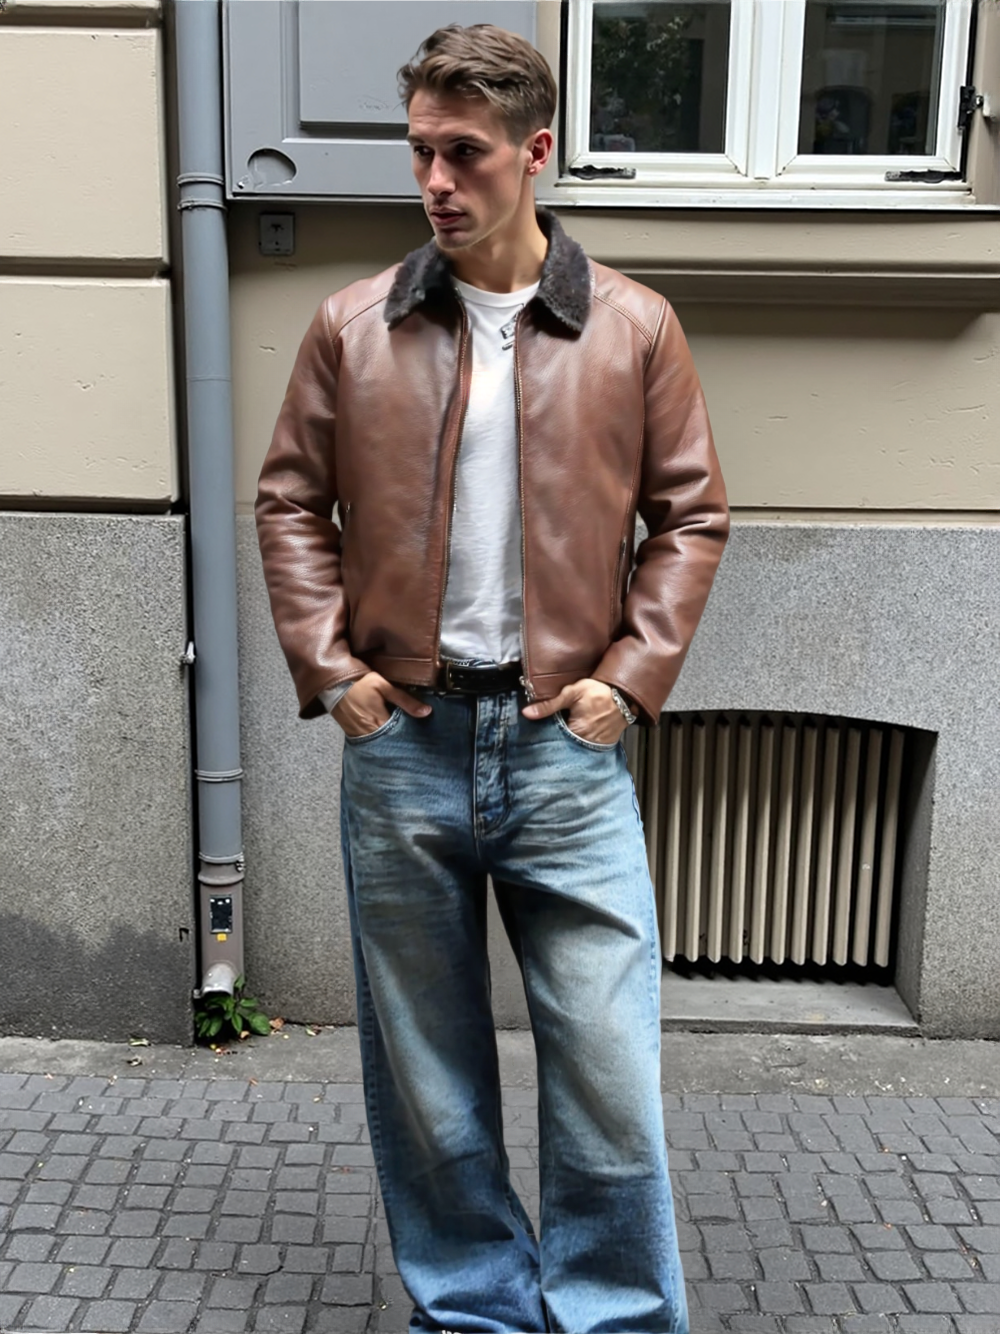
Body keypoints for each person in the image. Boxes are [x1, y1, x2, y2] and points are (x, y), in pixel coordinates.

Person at [255, 23, 728, 1334]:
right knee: (428, 1074)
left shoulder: (633, 328)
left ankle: (616, 1312)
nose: (436, 181)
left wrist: (629, 683)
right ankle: (475, 1307)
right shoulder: (355, 327)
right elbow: (289, 499)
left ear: (535, 151)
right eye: (421, 152)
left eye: (463, 153)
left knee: (608, 1068)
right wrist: (331, 667)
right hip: (404, 743)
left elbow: (691, 515)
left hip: (564, 751)